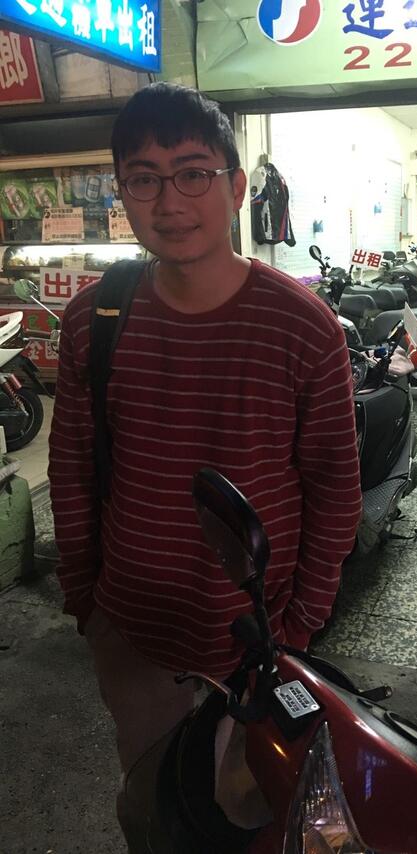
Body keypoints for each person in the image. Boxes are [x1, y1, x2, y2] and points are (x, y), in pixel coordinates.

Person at [48, 82, 362, 851]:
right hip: (132, 631)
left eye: (193, 173)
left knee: (250, 817)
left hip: (259, 639)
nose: (170, 201)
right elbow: (72, 470)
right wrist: (88, 606)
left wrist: (299, 624)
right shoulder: (95, 317)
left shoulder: (305, 326)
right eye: (143, 178)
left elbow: (333, 487)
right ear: (122, 191)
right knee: (154, 807)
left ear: (236, 186)